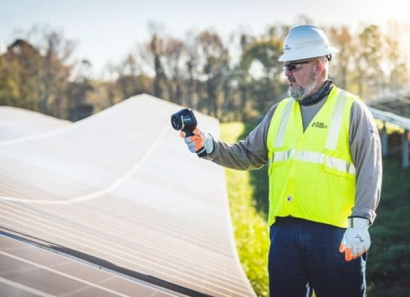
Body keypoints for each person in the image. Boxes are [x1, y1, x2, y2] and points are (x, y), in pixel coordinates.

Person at [179, 25, 382, 297]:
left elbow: (370, 168)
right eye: (285, 66)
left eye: (293, 66)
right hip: (285, 236)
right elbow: (248, 154)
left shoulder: (351, 109)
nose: (286, 73)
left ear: (319, 66)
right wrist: (210, 146)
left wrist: (360, 222)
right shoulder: (280, 112)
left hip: (335, 237)